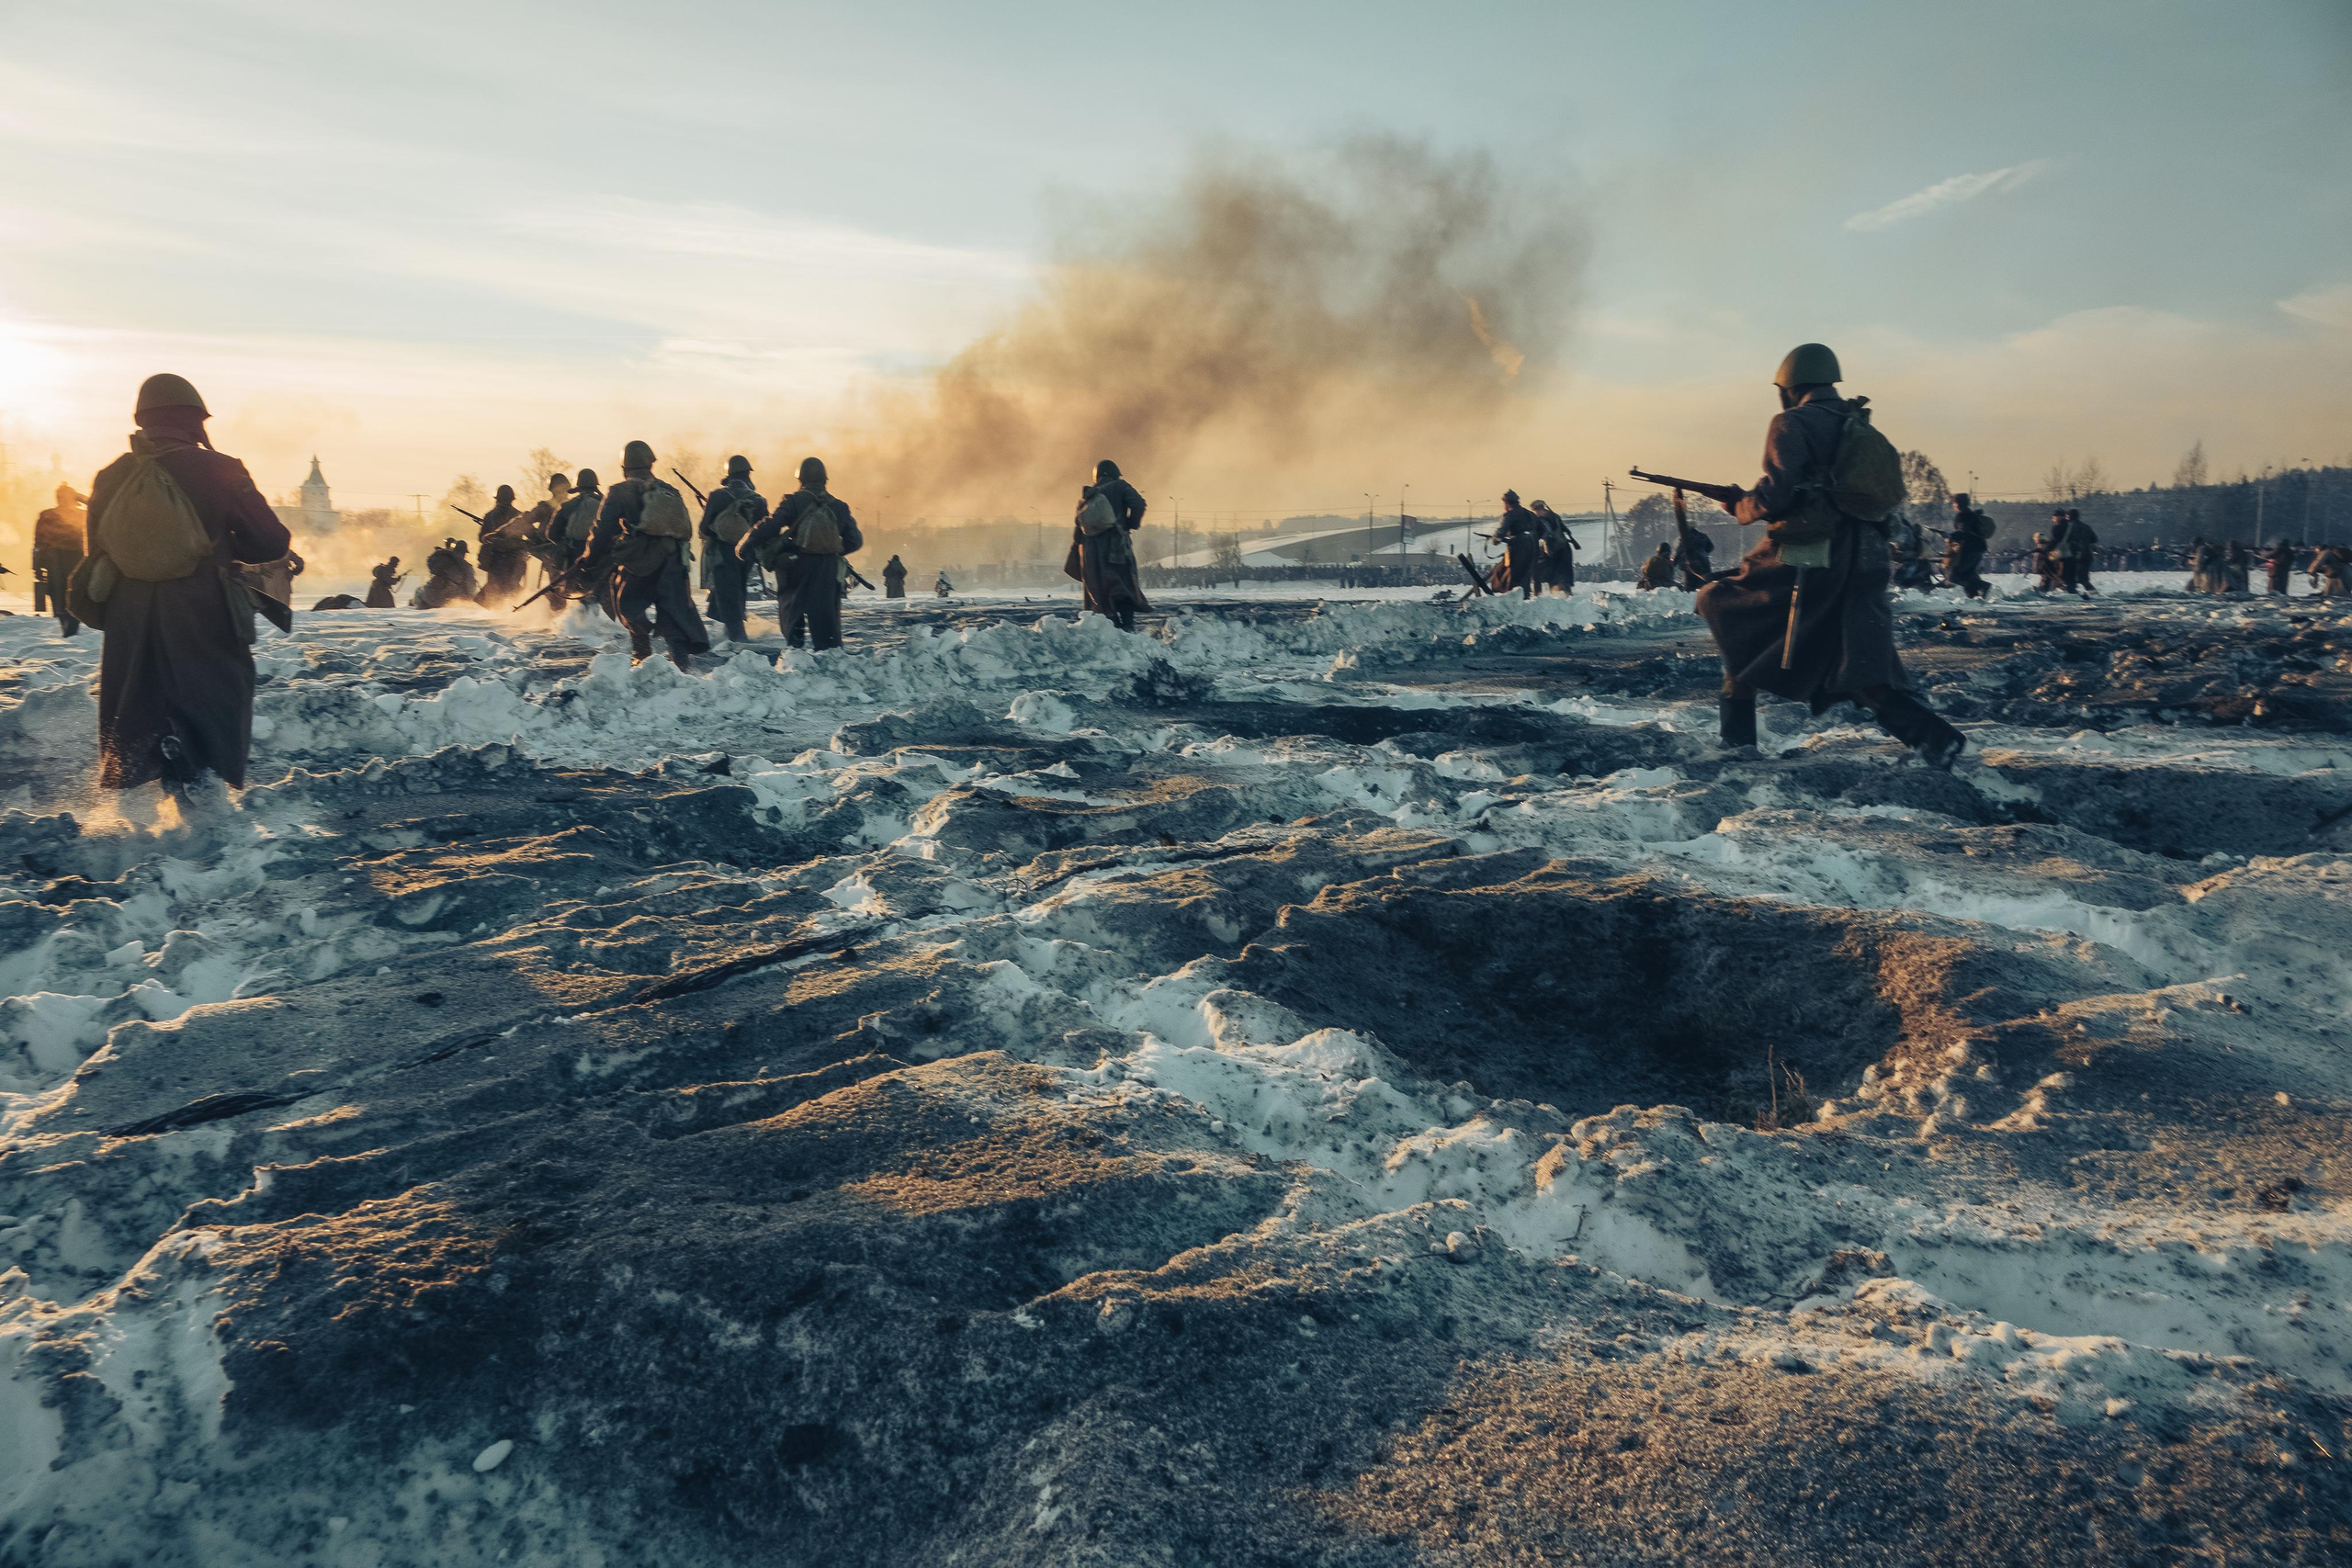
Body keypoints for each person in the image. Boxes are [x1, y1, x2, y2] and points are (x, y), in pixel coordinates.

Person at [1694, 343, 1963, 768]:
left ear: (1789, 386)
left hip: (1812, 559)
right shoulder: (1861, 428)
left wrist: (1741, 505)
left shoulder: (1790, 423)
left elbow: (1779, 493)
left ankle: (1737, 744)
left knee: (1723, 605)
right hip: (1867, 558)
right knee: (1856, 663)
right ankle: (1935, 739)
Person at [73, 374, 291, 791]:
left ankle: (133, 797)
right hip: (202, 607)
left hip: (129, 616)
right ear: (193, 419)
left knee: (133, 704)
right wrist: (227, 549)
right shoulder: (221, 468)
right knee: (216, 698)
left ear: (143, 419)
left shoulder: (110, 475)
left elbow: (97, 549)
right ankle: (206, 800)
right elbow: (271, 540)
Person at [581, 440, 709, 668]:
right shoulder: (670, 490)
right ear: (650, 463)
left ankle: (642, 656)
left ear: (624, 467)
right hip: (674, 561)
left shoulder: (619, 491)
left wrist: (589, 558)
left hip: (639, 563)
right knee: (675, 612)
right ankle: (681, 665)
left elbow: (603, 529)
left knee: (627, 606)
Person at [739, 456, 863, 652]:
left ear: (801, 479)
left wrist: (748, 543)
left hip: (798, 565)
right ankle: (830, 657)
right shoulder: (840, 507)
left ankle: (795, 651)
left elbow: (772, 525)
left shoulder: (793, 501)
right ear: (825, 480)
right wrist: (831, 550)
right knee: (827, 623)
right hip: (828, 569)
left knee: (791, 608)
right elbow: (855, 540)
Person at [1069, 459, 1149, 629]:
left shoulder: (1086, 497)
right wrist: (1130, 524)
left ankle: (1112, 630)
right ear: (1115, 474)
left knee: (1099, 593)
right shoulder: (1120, 486)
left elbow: (1077, 535)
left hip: (1089, 553)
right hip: (1115, 547)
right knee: (1124, 585)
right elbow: (1138, 504)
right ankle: (1128, 627)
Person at [699, 455, 767, 643]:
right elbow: (764, 531)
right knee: (737, 595)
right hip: (747, 556)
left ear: (729, 474)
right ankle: (733, 638)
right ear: (747, 474)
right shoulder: (759, 500)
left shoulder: (717, 496)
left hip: (723, 554)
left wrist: (716, 521)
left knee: (727, 597)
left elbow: (704, 529)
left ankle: (738, 642)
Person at [33, 482, 87, 635]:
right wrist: (37, 566)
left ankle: (70, 631)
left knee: (68, 599)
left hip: (73, 561)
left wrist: (37, 566)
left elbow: (38, 543)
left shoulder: (82, 515)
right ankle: (69, 631)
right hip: (59, 561)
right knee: (62, 600)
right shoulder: (48, 515)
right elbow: (39, 543)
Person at [476, 483, 532, 606]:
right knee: (510, 588)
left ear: (497, 498)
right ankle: (514, 609)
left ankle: (501, 611)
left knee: (496, 589)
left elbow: (482, 537)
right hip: (514, 559)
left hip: (498, 559)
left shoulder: (490, 516)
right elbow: (530, 535)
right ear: (512, 499)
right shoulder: (518, 515)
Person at [1493, 491, 1544, 599]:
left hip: (1519, 548)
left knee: (1513, 574)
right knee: (1526, 574)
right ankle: (1525, 596)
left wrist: (1495, 539)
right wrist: (1531, 539)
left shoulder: (1510, 514)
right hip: (1533, 547)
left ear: (1506, 503)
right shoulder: (1530, 514)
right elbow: (1542, 530)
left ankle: (1514, 598)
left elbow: (1500, 533)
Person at [1942, 493, 1994, 601]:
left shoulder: (1962, 516)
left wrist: (1950, 535)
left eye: (1953, 503)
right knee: (1968, 576)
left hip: (1969, 550)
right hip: (1979, 549)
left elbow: (1963, 531)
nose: (1953, 505)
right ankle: (1975, 601)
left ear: (1957, 504)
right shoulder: (1971, 514)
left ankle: (1983, 586)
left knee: (1953, 577)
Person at [412, 539, 479, 607]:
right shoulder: (467, 567)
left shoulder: (443, 559)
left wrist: (443, 552)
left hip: (432, 597)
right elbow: (471, 588)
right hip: (450, 600)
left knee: (419, 591)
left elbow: (431, 565)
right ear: (464, 553)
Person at [1530, 500, 1577, 592]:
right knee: (1563, 576)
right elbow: (1565, 530)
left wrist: (1544, 545)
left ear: (1538, 510)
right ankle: (1566, 594)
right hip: (1564, 548)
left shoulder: (1543, 519)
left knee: (1539, 572)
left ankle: (1539, 594)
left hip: (1553, 550)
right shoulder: (1555, 516)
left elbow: (1547, 533)